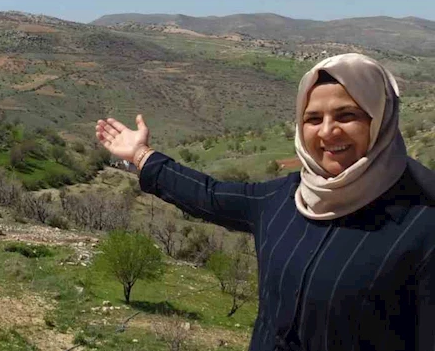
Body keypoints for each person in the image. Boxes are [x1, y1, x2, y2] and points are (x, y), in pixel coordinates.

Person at [95, 53, 435, 351]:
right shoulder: (284, 198)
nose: (328, 131)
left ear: (381, 120)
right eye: (313, 119)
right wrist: (140, 155)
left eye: (347, 115)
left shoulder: (421, 224)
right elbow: (209, 195)